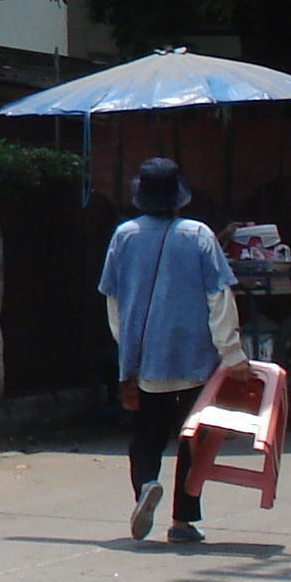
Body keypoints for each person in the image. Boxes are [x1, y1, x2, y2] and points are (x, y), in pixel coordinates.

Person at [99, 156, 246, 544]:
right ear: (179, 196)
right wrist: (232, 353)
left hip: (146, 359)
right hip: (195, 358)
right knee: (192, 438)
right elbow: (219, 297)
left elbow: (113, 301)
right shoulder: (199, 234)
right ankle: (182, 521)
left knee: (146, 435)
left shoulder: (123, 235)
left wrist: (127, 345)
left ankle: (146, 485)